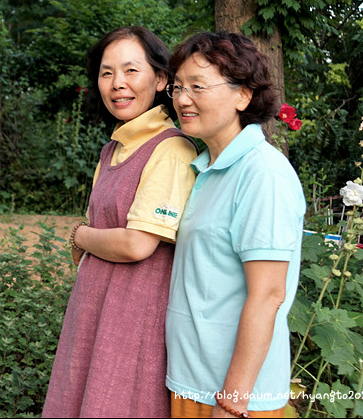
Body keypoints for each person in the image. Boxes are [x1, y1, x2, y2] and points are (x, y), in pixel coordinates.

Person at [42, 26, 198, 417]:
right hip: (95, 305)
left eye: (131, 71)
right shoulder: (113, 148)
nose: (117, 84)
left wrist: (79, 234)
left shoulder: (172, 148)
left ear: (162, 79)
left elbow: (136, 244)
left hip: (135, 314)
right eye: (106, 72)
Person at [164, 32, 304, 418]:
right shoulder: (205, 168)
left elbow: (269, 295)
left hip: (233, 398)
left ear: (243, 95)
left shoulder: (263, 174)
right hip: (192, 381)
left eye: (197, 86)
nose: (182, 99)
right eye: (178, 87)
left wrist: (234, 399)